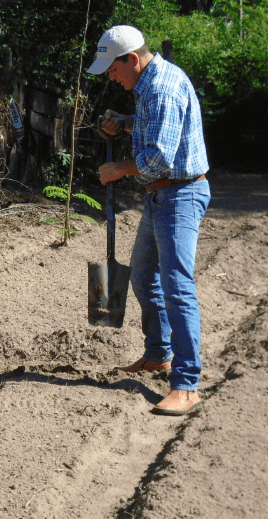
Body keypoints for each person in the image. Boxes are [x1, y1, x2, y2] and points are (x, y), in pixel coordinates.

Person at [87, 25, 211, 416]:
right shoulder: (149, 86)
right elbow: (153, 128)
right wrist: (123, 123)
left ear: (132, 60)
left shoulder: (161, 87)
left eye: (112, 68)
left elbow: (159, 157)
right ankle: (159, 354)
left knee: (177, 286)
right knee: (142, 275)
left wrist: (117, 170)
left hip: (180, 193)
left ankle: (187, 384)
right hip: (160, 194)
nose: (110, 76)